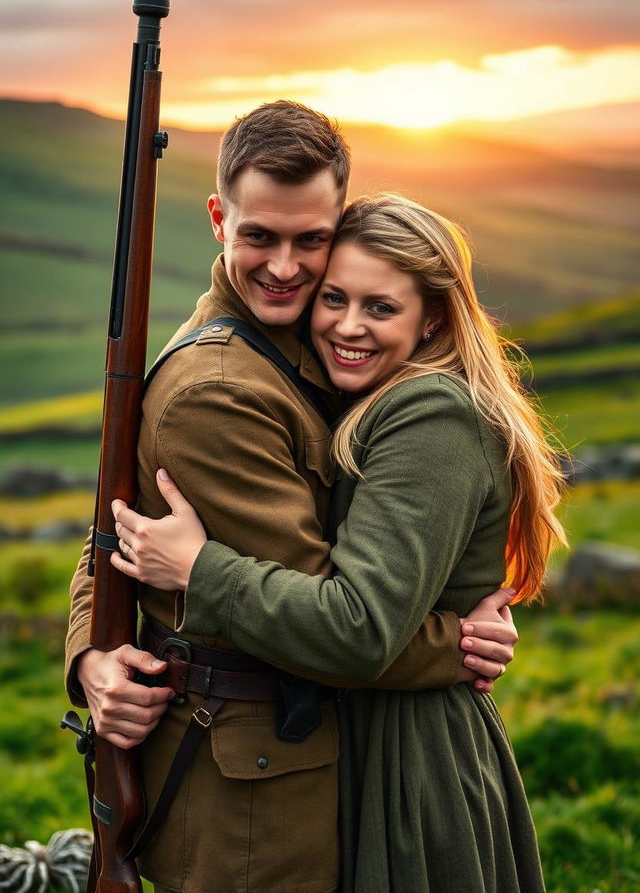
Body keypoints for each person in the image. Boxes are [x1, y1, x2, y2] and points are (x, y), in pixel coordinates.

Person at [65, 104, 519, 893]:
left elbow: (135, 534)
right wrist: (455, 644)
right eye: (258, 237)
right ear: (219, 219)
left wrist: (96, 649)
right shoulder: (219, 389)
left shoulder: (305, 344)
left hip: (317, 752)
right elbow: (347, 626)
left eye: (310, 240)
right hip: (256, 779)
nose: (284, 267)